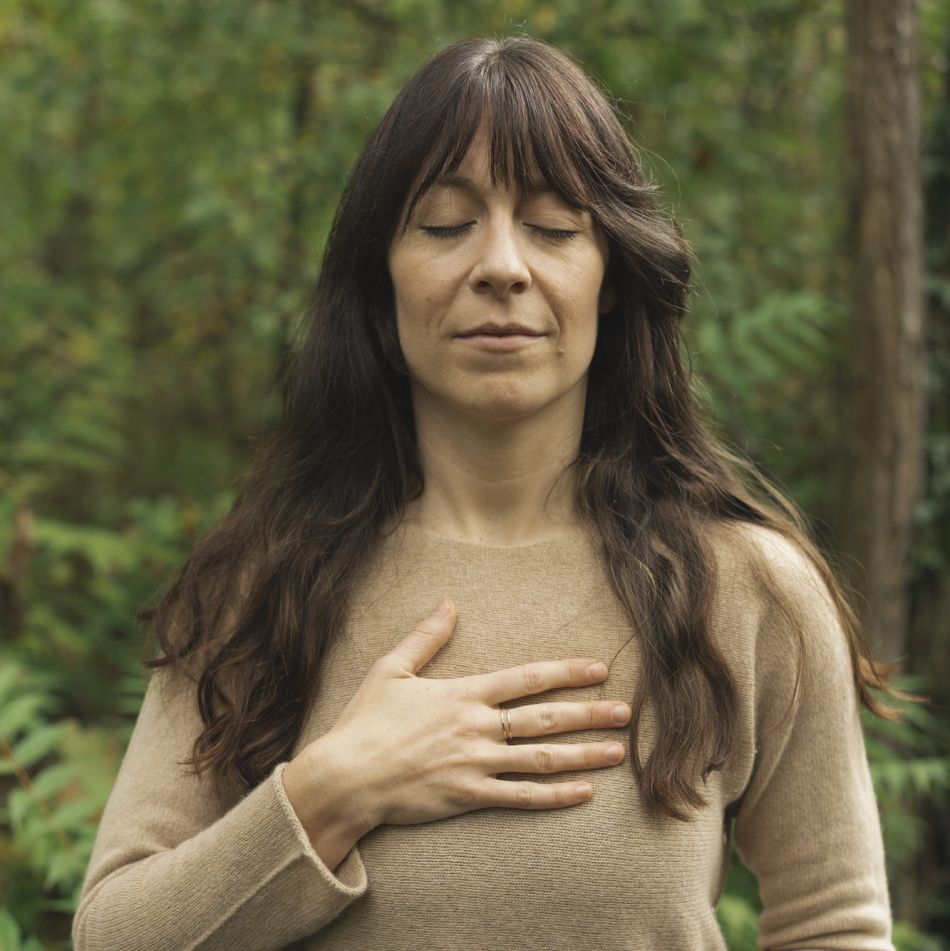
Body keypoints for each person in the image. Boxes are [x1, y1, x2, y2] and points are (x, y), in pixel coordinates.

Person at [72, 35, 898, 951]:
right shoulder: (259, 586)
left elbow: (835, 924)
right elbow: (112, 933)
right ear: (381, 288)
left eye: (552, 228)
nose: (503, 266)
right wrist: (333, 790)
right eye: (443, 224)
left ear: (612, 277)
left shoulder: (747, 590)